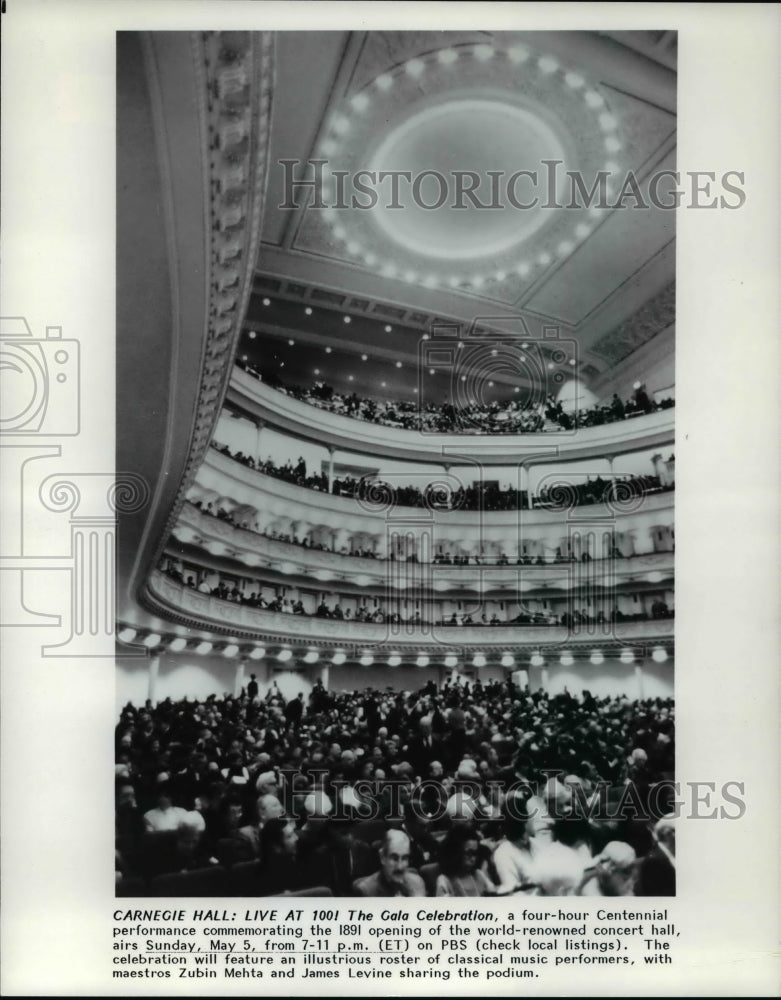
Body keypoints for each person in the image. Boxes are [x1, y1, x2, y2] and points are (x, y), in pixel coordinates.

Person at [353, 830, 426, 897]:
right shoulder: (366, 891)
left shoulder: (417, 883)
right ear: (382, 857)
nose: (399, 867)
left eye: (404, 858)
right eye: (394, 858)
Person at [435, 824, 495, 897]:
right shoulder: (444, 880)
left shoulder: (479, 874)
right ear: (455, 852)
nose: (473, 859)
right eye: (469, 853)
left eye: (475, 853)